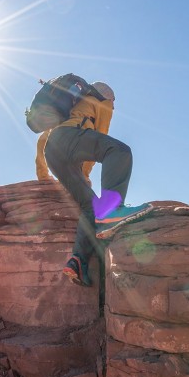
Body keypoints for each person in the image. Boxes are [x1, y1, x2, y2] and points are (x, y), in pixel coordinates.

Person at [44, 81, 152, 287]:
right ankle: (111, 211)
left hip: (53, 152)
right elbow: (101, 136)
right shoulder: (102, 103)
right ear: (109, 97)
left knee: (89, 205)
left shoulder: (73, 104)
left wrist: (44, 176)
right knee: (119, 151)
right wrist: (85, 173)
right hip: (70, 141)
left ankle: (77, 260)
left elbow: (45, 142)